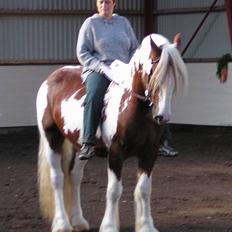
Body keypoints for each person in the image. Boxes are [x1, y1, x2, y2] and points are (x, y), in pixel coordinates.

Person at [76, 0, 138, 160]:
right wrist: (101, 67)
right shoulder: (90, 24)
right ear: (97, 4)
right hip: (100, 69)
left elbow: (134, 48)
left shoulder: (123, 23)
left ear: (114, 4)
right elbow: (82, 53)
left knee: (146, 92)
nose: (105, 5)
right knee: (95, 95)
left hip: (122, 68)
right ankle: (88, 143)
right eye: (101, 2)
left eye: (108, 2)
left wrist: (130, 66)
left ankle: (163, 140)